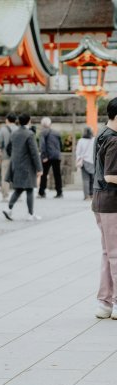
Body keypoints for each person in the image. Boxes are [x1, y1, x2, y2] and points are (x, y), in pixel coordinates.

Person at [92, 98, 117, 320]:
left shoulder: (101, 134)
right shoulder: (115, 140)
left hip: (100, 201)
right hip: (112, 201)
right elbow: (110, 175)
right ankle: (114, 303)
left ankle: (105, 303)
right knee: (115, 254)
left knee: (108, 253)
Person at [3, 113, 43, 221]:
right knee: (30, 188)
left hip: (16, 164)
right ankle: (30, 214)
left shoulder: (14, 133)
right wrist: (39, 168)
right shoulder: (29, 134)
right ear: (29, 121)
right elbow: (34, 152)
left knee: (18, 189)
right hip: (27, 165)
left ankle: (9, 209)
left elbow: (8, 148)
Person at [38, 117, 63, 198]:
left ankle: (42, 192)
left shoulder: (42, 132)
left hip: (47, 156)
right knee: (57, 174)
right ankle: (59, 192)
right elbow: (61, 144)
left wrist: (44, 156)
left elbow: (42, 145)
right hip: (56, 156)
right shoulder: (56, 132)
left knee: (44, 174)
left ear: (42, 124)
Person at [0, 113, 18, 202]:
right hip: (17, 157)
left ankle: (5, 196)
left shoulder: (3, 130)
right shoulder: (18, 129)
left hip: (6, 156)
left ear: (7, 120)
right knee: (17, 175)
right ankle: (18, 195)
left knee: (5, 176)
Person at [76, 126, 95, 201]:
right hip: (93, 162)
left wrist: (78, 160)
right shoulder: (94, 140)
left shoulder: (81, 140)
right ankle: (92, 194)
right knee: (93, 180)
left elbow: (78, 152)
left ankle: (86, 196)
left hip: (84, 162)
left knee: (85, 180)